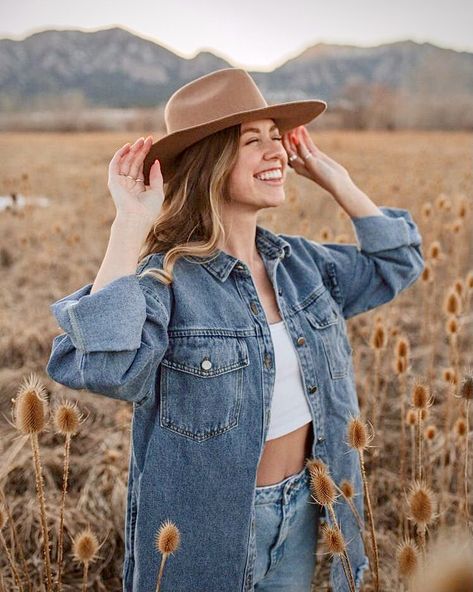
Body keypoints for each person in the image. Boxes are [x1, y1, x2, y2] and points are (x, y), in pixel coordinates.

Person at [46, 68, 424, 592]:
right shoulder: (168, 282)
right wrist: (130, 223)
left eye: (278, 138)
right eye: (254, 141)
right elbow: (103, 366)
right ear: (212, 161)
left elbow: (397, 264)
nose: (278, 153)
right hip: (206, 531)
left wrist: (337, 179)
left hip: (302, 510)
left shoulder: (301, 266)